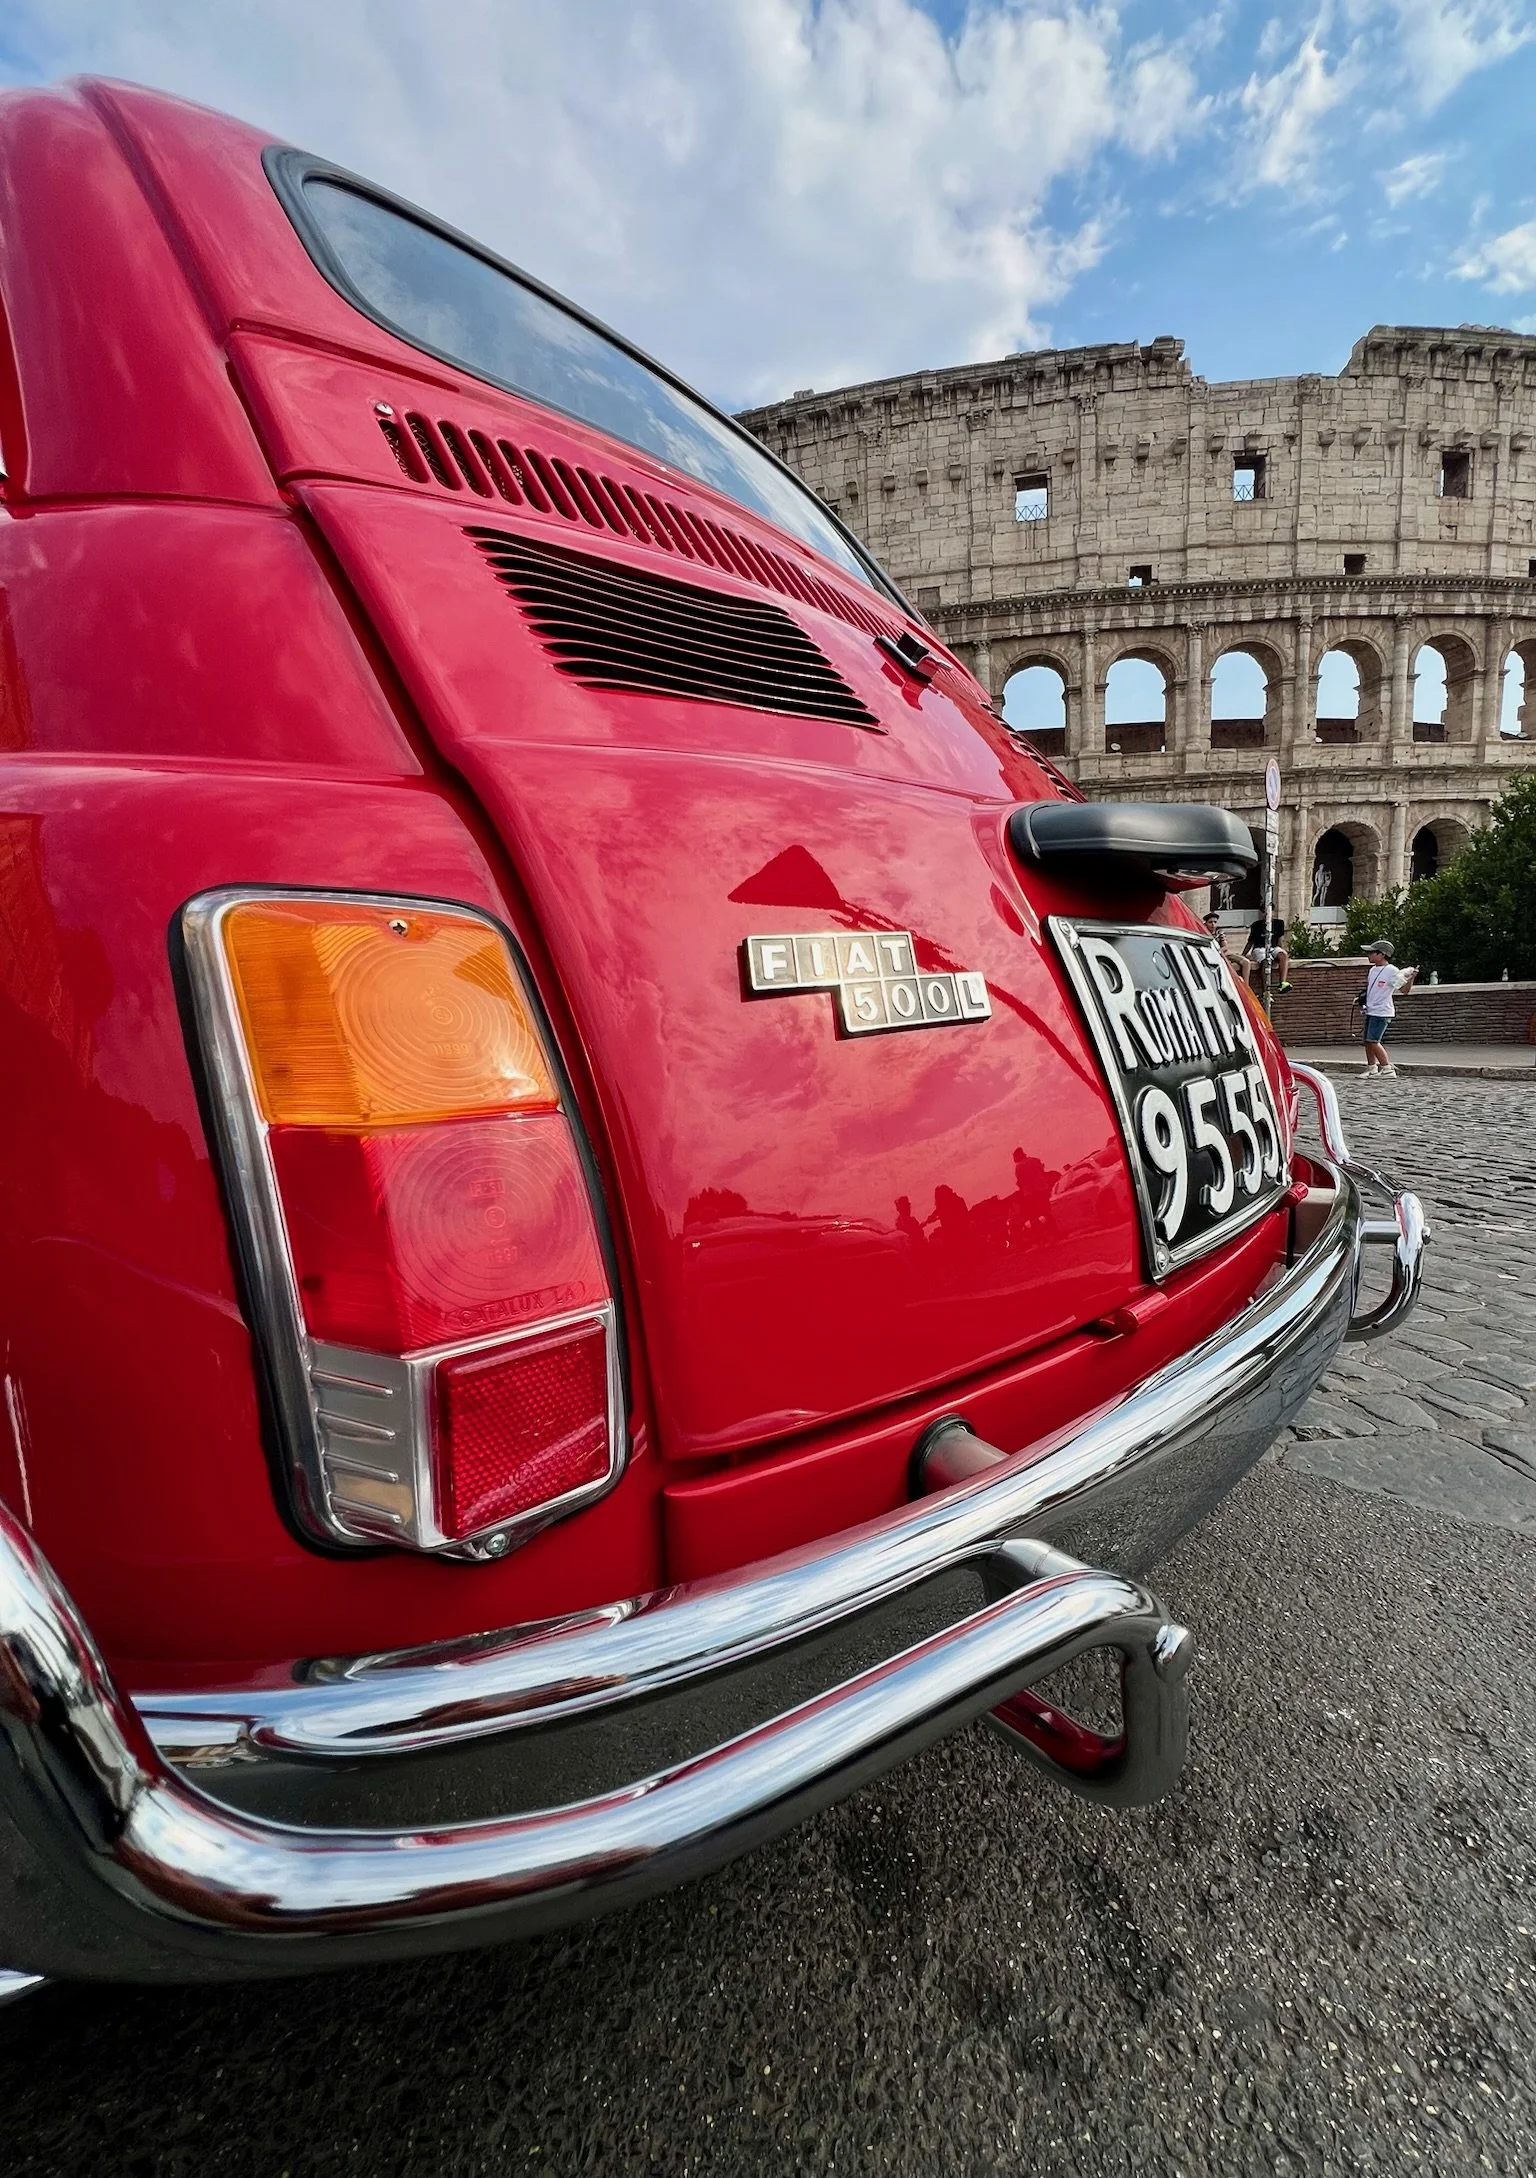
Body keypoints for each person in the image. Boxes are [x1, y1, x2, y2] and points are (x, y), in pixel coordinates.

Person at [1362, 939, 1416, 1078]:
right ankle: (1372, 1067)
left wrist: (1411, 979)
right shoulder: (1373, 970)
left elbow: (1404, 990)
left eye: (1371, 953)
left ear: (1382, 954)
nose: (1369, 955)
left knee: (1374, 1041)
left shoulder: (1392, 971)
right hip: (1371, 1010)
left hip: (1382, 1011)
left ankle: (1387, 1068)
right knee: (1367, 1041)